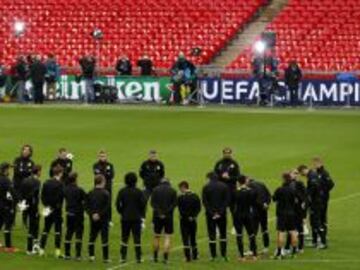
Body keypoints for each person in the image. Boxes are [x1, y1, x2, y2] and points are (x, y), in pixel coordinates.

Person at [116, 172, 146, 264]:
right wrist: (141, 215)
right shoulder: (139, 191)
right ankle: (138, 257)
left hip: (125, 218)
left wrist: (122, 212)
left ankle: (123, 257)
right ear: (136, 180)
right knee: (137, 238)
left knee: (124, 237)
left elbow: (117, 204)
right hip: (136, 218)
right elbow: (143, 204)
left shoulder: (122, 191)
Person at [202, 172, 230, 261]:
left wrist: (212, 213)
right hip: (222, 214)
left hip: (210, 215)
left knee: (211, 235)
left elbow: (205, 202)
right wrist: (220, 213)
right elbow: (226, 201)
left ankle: (213, 256)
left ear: (209, 178)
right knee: (223, 234)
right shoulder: (224, 186)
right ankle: (224, 255)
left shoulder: (206, 187)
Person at [298, 164, 327, 249]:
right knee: (313, 222)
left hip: (316, 203)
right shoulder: (312, 175)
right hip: (316, 202)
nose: (302, 175)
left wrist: (307, 199)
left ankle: (323, 242)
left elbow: (313, 190)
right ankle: (314, 242)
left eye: (301, 173)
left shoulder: (312, 176)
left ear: (304, 170)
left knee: (316, 222)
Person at [39, 165, 64, 258]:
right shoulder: (60, 184)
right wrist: (56, 207)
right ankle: (57, 252)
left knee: (46, 229)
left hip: (47, 209)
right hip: (57, 210)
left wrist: (46, 206)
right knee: (58, 231)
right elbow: (60, 198)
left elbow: (42, 196)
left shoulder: (46, 182)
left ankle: (41, 250)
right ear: (60, 173)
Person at [150, 178, 177, 264]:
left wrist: (160, 212)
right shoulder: (173, 191)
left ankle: (155, 258)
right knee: (167, 237)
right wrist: (166, 213)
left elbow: (152, 203)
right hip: (168, 217)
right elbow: (174, 204)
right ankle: (165, 259)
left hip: (157, 216)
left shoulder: (155, 190)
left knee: (156, 236)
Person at [86, 174, 111, 263]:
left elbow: (86, 206)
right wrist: (99, 214)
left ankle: (91, 256)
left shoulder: (90, 193)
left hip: (93, 219)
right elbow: (107, 207)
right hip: (103, 219)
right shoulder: (106, 193)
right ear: (102, 182)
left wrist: (92, 214)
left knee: (92, 236)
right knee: (104, 238)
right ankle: (106, 258)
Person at [232, 176, 257, 261]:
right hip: (248, 215)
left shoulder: (235, 192)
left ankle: (242, 256)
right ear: (245, 182)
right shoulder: (251, 191)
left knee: (239, 235)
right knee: (251, 234)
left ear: (238, 182)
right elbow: (254, 203)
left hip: (238, 215)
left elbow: (232, 204)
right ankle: (254, 255)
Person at [273, 173, 298, 259]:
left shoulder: (279, 189)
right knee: (293, 232)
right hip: (291, 213)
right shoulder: (293, 190)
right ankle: (294, 252)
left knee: (281, 232)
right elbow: (295, 201)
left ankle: (279, 253)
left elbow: (274, 199)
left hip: (281, 214)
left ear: (283, 179)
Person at [245, 176, 271, 253]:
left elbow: (255, 198)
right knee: (264, 228)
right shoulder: (261, 184)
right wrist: (266, 203)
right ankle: (266, 247)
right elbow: (268, 195)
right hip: (264, 210)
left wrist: (261, 204)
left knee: (253, 230)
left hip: (255, 210)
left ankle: (252, 249)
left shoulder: (250, 186)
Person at [63, 172, 86, 260]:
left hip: (69, 213)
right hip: (78, 214)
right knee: (79, 234)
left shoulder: (65, 189)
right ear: (76, 179)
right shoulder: (79, 189)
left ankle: (67, 254)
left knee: (69, 232)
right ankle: (78, 255)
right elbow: (86, 199)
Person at [20, 165, 42, 255]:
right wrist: (35, 207)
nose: (41, 173)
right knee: (33, 227)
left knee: (32, 226)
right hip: (33, 207)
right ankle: (30, 249)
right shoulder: (37, 182)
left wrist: (23, 204)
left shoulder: (25, 180)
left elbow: (22, 193)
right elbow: (34, 196)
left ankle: (34, 246)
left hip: (26, 205)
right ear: (37, 171)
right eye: (40, 171)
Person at [177, 181, 201, 262]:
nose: (180, 190)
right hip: (193, 220)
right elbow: (198, 208)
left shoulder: (180, 198)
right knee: (193, 238)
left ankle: (187, 257)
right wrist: (193, 216)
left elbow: (180, 210)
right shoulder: (195, 196)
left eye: (180, 188)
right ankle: (195, 255)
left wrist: (185, 216)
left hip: (184, 220)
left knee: (185, 238)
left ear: (183, 187)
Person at [312, 157, 335, 241]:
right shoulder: (316, 173)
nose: (314, 165)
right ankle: (319, 235)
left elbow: (331, 184)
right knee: (318, 217)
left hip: (323, 199)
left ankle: (323, 235)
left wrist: (323, 192)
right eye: (313, 163)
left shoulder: (324, 173)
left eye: (316, 163)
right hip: (319, 199)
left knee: (321, 217)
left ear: (321, 163)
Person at [285, 169, 307, 253]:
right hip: (290, 209)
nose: (295, 175)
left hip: (298, 210)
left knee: (299, 228)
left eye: (297, 173)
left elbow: (304, 197)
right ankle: (288, 246)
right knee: (290, 228)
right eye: (293, 173)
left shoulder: (300, 184)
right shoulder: (289, 184)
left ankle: (300, 247)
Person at [13, 144, 35, 226]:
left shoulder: (31, 162)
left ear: (30, 152)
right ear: (22, 151)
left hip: (26, 187)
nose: (25, 151)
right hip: (17, 186)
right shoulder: (17, 160)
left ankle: (24, 221)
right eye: (24, 149)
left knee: (25, 204)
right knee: (14, 204)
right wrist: (26, 171)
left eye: (27, 150)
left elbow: (31, 174)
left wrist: (23, 171)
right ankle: (12, 221)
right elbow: (16, 172)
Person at [93, 150, 115, 224]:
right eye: (101, 156)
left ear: (106, 156)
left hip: (108, 187)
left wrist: (103, 173)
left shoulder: (110, 165)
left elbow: (111, 175)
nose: (102, 158)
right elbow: (98, 175)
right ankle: (98, 218)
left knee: (108, 203)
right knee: (98, 203)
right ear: (98, 157)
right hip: (98, 188)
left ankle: (109, 220)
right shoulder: (95, 165)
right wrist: (106, 173)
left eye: (104, 156)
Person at [0, 162, 17, 252]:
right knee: (8, 226)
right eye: (9, 169)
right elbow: (12, 193)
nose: (10, 171)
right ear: (5, 170)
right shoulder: (6, 180)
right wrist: (17, 201)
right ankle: (8, 247)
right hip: (6, 206)